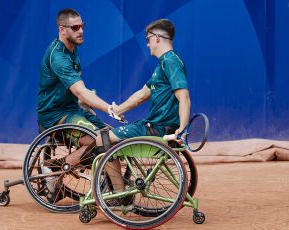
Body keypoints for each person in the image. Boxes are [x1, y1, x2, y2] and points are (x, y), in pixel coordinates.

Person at [96, 19, 191, 201]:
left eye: (148, 39)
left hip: (157, 128)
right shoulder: (163, 64)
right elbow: (142, 94)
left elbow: (184, 97)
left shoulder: (171, 62)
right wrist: (118, 110)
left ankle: (119, 194)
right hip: (152, 125)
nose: (147, 44)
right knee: (110, 138)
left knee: (102, 138)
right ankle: (119, 184)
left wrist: (182, 129)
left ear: (157, 38)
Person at [37, 8, 112, 202]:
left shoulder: (73, 49)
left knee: (111, 136)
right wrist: (110, 108)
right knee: (96, 139)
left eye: (83, 26)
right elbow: (79, 90)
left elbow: (77, 92)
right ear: (62, 29)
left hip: (72, 110)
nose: (81, 31)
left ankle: (114, 186)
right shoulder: (58, 56)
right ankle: (53, 168)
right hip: (54, 115)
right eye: (75, 27)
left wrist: (86, 104)